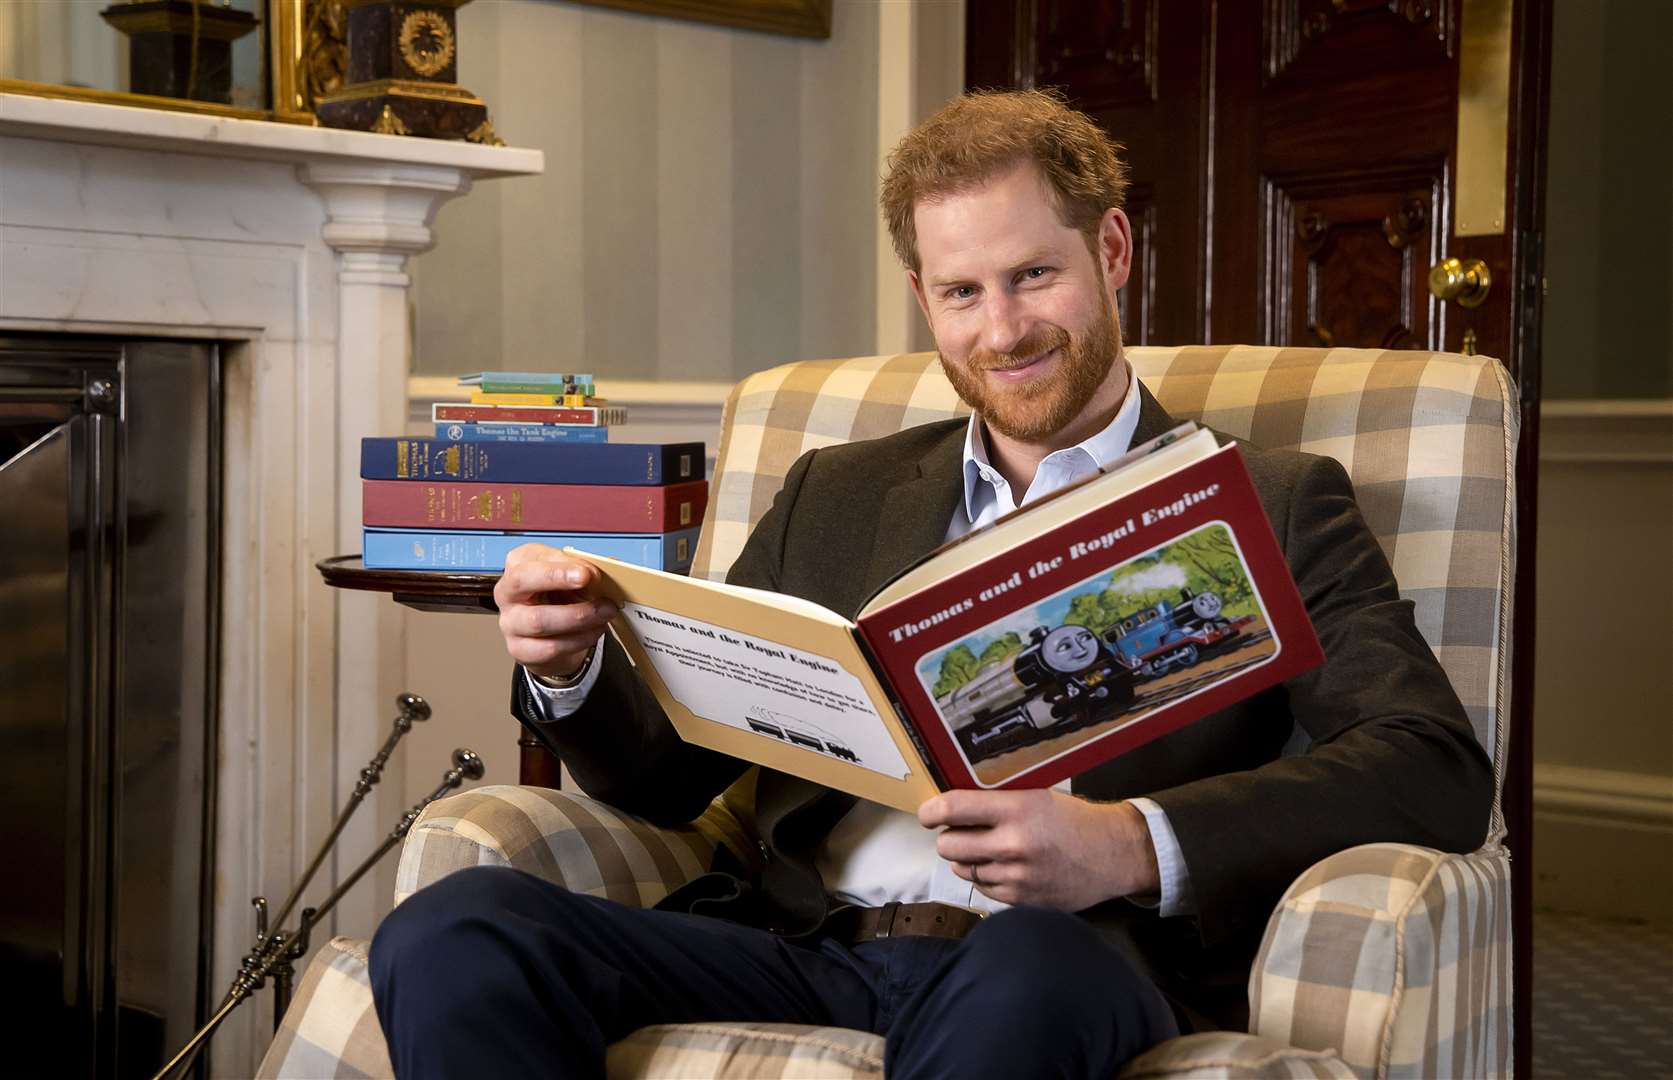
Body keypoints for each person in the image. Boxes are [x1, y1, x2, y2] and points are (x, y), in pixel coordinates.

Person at [370, 89, 1492, 1079]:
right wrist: (570, 670)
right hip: (801, 943)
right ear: (922, 297)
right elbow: (664, 784)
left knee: (1024, 977)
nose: (1000, 331)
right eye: (961, 293)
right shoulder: (836, 494)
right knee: (452, 929)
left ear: (1110, 250)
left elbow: (1431, 768)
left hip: (1062, 956)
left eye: (1033, 277)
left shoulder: (1271, 500)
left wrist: (1127, 841)